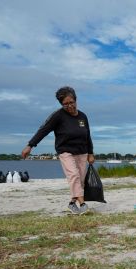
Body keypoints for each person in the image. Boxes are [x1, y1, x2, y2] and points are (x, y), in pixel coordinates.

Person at [22, 86, 95, 214]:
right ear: (61, 104)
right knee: (74, 175)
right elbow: (43, 130)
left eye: (71, 102)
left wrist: (91, 153)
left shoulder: (83, 116)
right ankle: (82, 204)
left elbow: (87, 135)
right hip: (65, 151)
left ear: (76, 100)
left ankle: (72, 203)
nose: (69, 106)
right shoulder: (58, 116)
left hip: (82, 152)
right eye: (65, 104)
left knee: (80, 180)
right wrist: (30, 145)